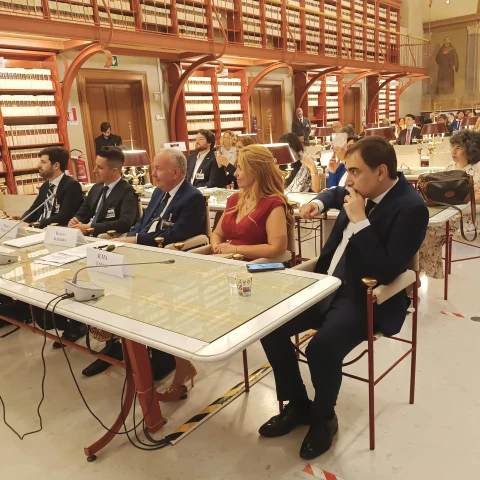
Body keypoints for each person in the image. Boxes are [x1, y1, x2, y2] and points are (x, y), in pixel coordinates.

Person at [258, 136, 429, 460]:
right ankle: (299, 404)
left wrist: (360, 221)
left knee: (320, 348)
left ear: (381, 172)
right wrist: (319, 202)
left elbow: (386, 270)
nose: (347, 179)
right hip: (324, 285)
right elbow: (336, 193)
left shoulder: (411, 209)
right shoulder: (359, 188)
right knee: (268, 325)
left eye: (354, 171)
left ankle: (324, 418)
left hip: (365, 296)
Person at [210, 145, 293, 261]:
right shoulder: (234, 199)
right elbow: (217, 234)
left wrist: (235, 249)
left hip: (256, 266)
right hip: (226, 262)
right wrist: (216, 246)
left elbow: (277, 248)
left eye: (240, 168)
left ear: (256, 171)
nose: (235, 173)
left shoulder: (274, 204)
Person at [419, 130, 480, 279]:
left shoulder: (478, 168)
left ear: (471, 149)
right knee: (417, 224)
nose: (453, 151)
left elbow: (478, 197)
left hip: (468, 216)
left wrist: (460, 199)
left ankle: (422, 272)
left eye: (458, 147)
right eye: (452, 146)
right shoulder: (451, 166)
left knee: (427, 230)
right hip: (447, 210)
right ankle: (416, 270)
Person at [119, 148, 206, 247]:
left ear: (175, 173)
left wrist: (136, 240)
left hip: (164, 250)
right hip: (140, 245)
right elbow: (143, 220)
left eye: (158, 168)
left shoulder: (193, 198)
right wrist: (129, 238)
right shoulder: (158, 191)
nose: (153, 174)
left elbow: (175, 234)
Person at [68, 146, 138, 236]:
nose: (95, 170)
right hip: (85, 234)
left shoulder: (127, 191)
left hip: (104, 237)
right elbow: (82, 212)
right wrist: (75, 220)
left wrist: (90, 227)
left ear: (114, 171)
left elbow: (124, 223)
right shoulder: (96, 188)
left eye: (100, 167)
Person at [22, 146, 84, 228]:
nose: (38, 165)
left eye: (43, 162)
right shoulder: (45, 186)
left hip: (56, 229)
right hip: (40, 227)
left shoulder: (71, 185)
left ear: (56, 166)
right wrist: (22, 221)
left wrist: (35, 225)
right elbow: (34, 209)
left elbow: (63, 216)